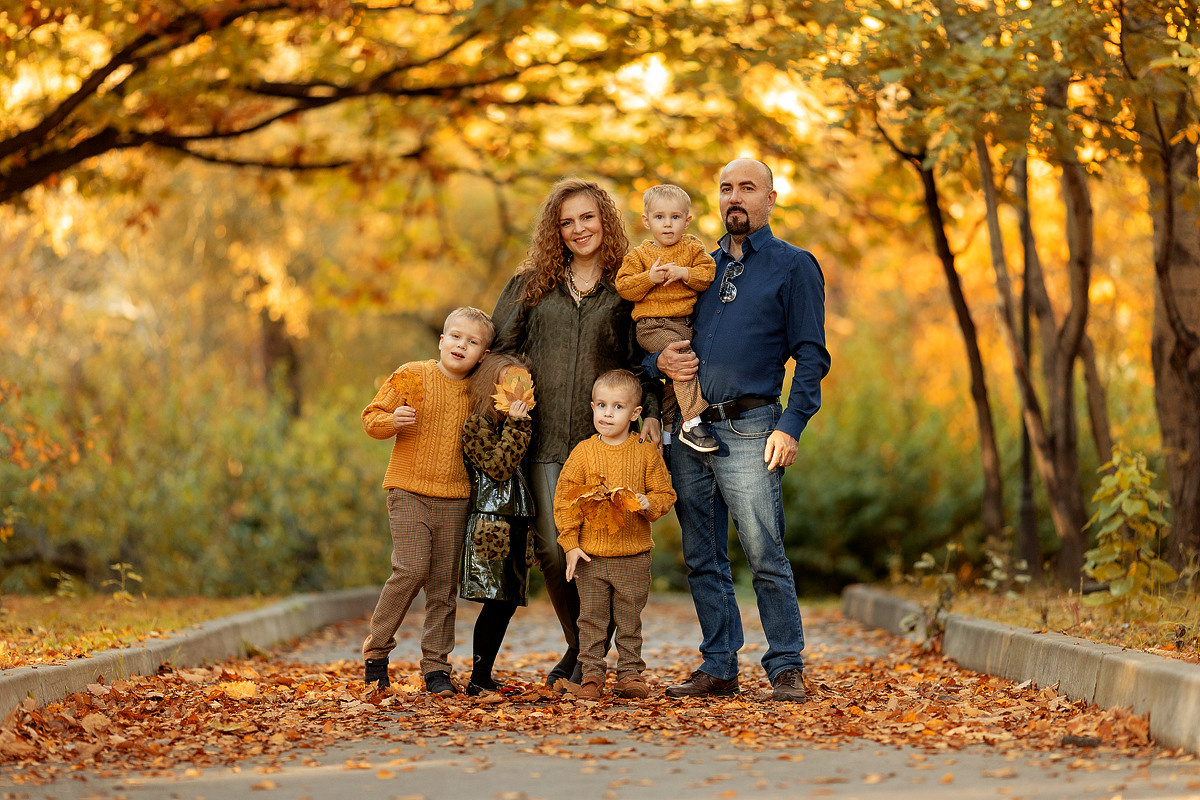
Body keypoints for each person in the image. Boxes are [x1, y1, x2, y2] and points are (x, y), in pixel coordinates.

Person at [651, 159, 830, 703]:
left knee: (763, 550)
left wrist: (792, 425)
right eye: (726, 188)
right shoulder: (697, 269)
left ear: (770, 198)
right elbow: (657, 335)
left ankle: (785, 665)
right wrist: (656, 365)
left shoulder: (793, 266)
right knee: (702, 555)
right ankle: (719, 664)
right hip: (689, 427)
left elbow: (812, 356)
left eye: (747, 188)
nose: (735, 197)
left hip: (753, 427)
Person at [491, 177, 662, 687]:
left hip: (608, 443)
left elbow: (644, 361)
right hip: (543, 436)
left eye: (587, 217)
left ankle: (584, 659)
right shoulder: (531, 285)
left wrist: (650, 410)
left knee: (608, 547)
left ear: (605, 220)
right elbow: (500, 348)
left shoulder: (626, 287)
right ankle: (580, 646)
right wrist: (512, 387)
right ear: (555, 231)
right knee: (551, 547)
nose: (578, 229)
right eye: (566, 222)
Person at [359, 306, 495, 697]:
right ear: (441, 339)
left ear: (483, 354)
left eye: (472, 342)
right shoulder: (413, 374)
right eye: (455, 336)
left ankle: (436, 668)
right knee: (410, 569)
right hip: (408, 490)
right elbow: (371, 417)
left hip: (454, 498)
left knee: (442, 587)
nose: (461, 345)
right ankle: (377, 654)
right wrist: (392, 421)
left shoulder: (478, 391)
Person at [552, 369, 676, 699]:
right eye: (602, 405)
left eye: (618, 407)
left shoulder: (645, 452)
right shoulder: (583, 453)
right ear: (592, 406)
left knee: (629, 621)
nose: (608, 414)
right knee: (590, 621)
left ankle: (630, 674)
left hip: (633, 557)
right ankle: (592, 676)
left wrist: (650, 504)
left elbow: (666, 494)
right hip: (591, 558)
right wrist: (570, 544)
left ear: (636, 413)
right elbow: (566, 500)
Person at [615, 184, 718, 453]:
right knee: (682, 360)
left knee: (675, 378)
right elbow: (624, 287)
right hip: (653, 326)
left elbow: (707, 274)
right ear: (647, 221)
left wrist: (684, 273)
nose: (668, 224)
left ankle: (669, 433)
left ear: (687, 220)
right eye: (660, 217)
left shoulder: (693, 249)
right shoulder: (639, 256)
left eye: (675, 217)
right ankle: (693, 421)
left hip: (684, 324)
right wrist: (648, 278)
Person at [458, 352, 536, 696]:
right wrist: (517, 425)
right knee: (495, 601)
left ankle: (484, 674)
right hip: (492, 523)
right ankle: (478, 678)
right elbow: (498, 468)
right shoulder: (477, 425)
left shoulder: (517, 423)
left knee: (505, 603)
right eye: (507, 382)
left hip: (515, 521)